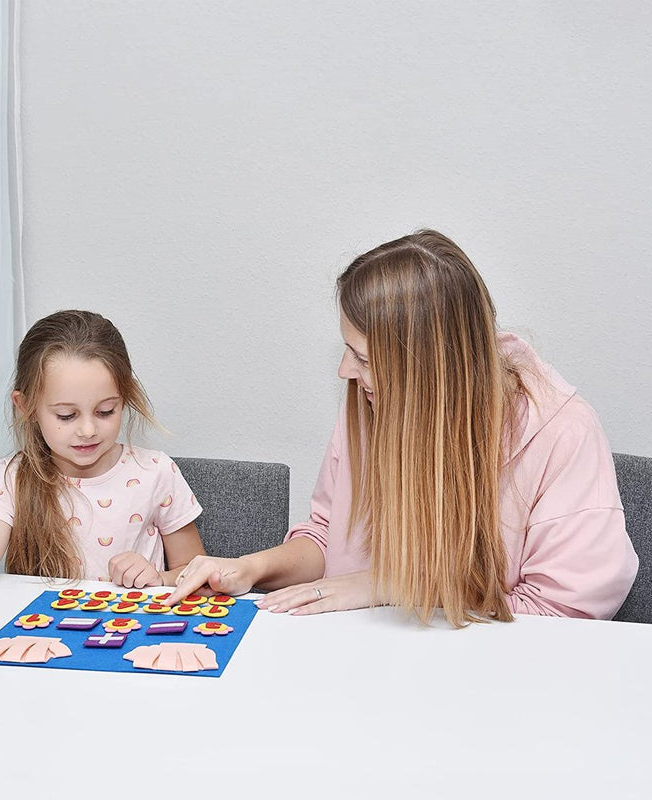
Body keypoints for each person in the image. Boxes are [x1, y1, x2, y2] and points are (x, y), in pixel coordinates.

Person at [169, 230, 638, 626]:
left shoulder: (563, 434)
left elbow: (561, 619)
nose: (344, 372)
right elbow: (327, 536)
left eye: (365, 359)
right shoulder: (371, 400)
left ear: (428, 369)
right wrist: (250, 567)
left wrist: (396, 587)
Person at [0, 309, 205, 593]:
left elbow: (198, 575)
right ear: (26, 406)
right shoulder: (12, 477)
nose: (88, 430)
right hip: (43, 636)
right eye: (66, 415)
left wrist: (158, 579)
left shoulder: (155, 471)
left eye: (106, 411)